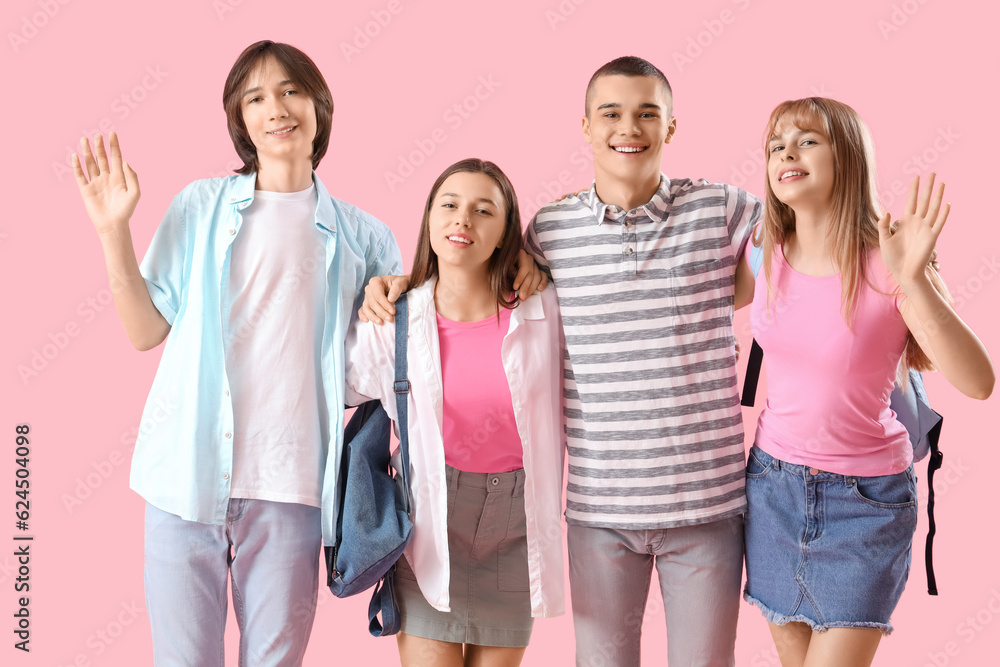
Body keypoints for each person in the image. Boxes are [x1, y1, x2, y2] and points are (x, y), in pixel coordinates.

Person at [362, 55, 761, 667]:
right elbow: (468, 267)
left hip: (706, 505)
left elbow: (803, 244)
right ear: (585, 127)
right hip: (598, 511)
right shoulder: (549, 233)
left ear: (671, 128)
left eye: (647, 113)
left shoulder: (723, 209)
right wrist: (391, 285)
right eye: (611, 113)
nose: (628, 127)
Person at [71, 41, 404, 665]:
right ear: (240, 122)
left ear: (319, 105)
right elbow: (145, 331)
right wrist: (114, 232)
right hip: (184, 477)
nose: (276, 108)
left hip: (293, 488)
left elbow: (380, 371)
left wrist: (394, 298)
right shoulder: (199, 207)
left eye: (290, 91)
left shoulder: (367, 238)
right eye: (255, 98)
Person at [740, 97, 994, 667]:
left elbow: (978, 382)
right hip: (772, 488)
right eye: (776, 145)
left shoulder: (890, 258)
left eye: (807, 140)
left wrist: (914, 279)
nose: (787, 153)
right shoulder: (764, 251)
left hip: (864, 502)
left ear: (849, 155)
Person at [345, 158, 565, 667]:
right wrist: (367, 292)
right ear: (429, 220)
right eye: (449, 205)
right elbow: (337, 387)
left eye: (483, 210)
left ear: (506, 234)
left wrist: (544, 264)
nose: (462, 220)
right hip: (427, 526)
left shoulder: (542, 309)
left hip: (518, 525)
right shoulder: (394, 320)